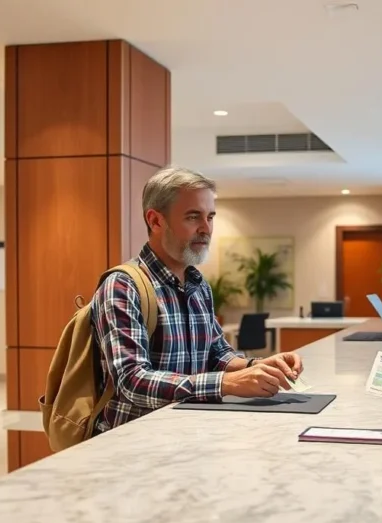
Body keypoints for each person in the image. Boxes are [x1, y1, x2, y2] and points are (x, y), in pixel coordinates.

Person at [91, 167, 304, 433]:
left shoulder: (198, 285)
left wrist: (258, 366)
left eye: (210, 217)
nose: (206, 229)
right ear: (155, 221)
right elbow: (132, 381)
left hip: (193, 430)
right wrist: (227, 383)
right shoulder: (123, 286)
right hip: (137, 439)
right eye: (193, 217)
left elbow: (217, 353)